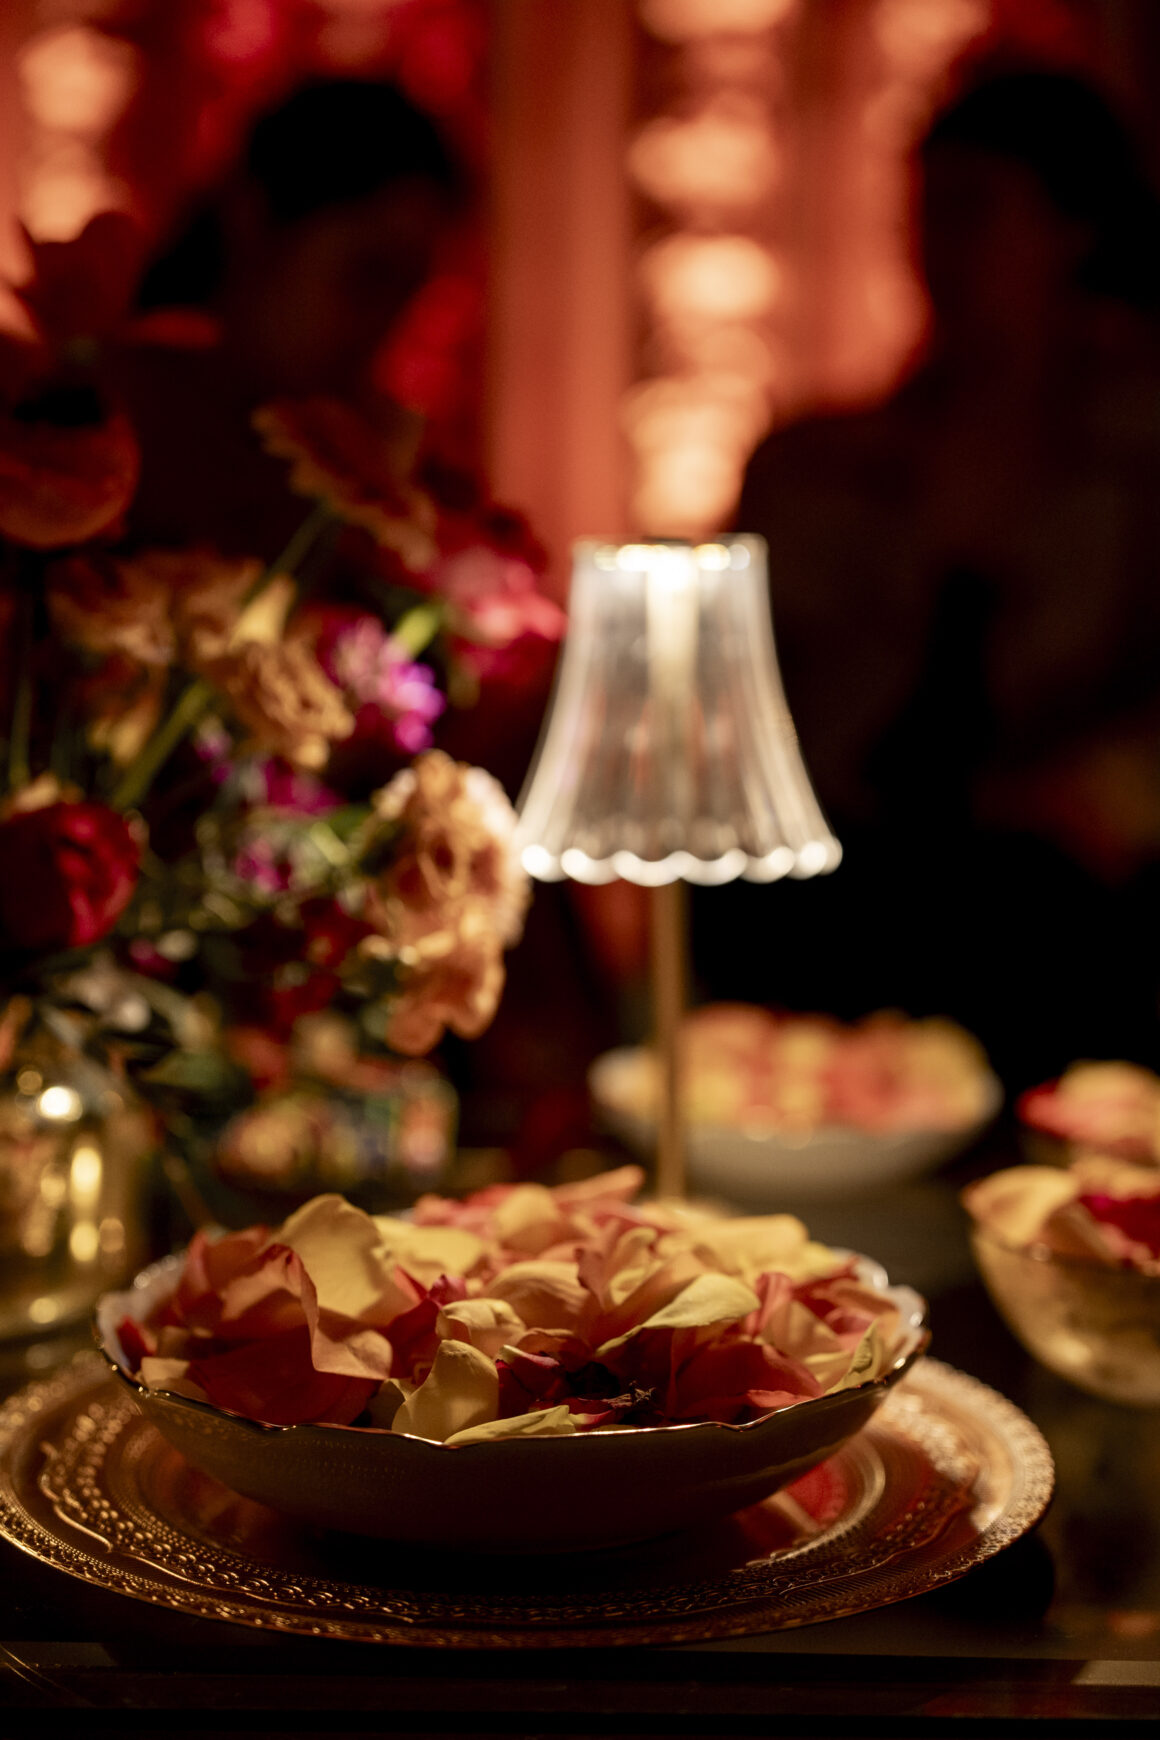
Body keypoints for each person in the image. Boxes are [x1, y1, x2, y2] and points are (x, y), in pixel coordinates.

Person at [694, 66, 1160, 1093]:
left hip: (1062, 918)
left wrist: (1090, 791)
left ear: (1073, 233)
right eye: (924, 210)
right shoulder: (812, 469)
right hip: (832, 899)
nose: (935, 246)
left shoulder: (1133, 471)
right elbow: (718, 711)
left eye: (973, 209)